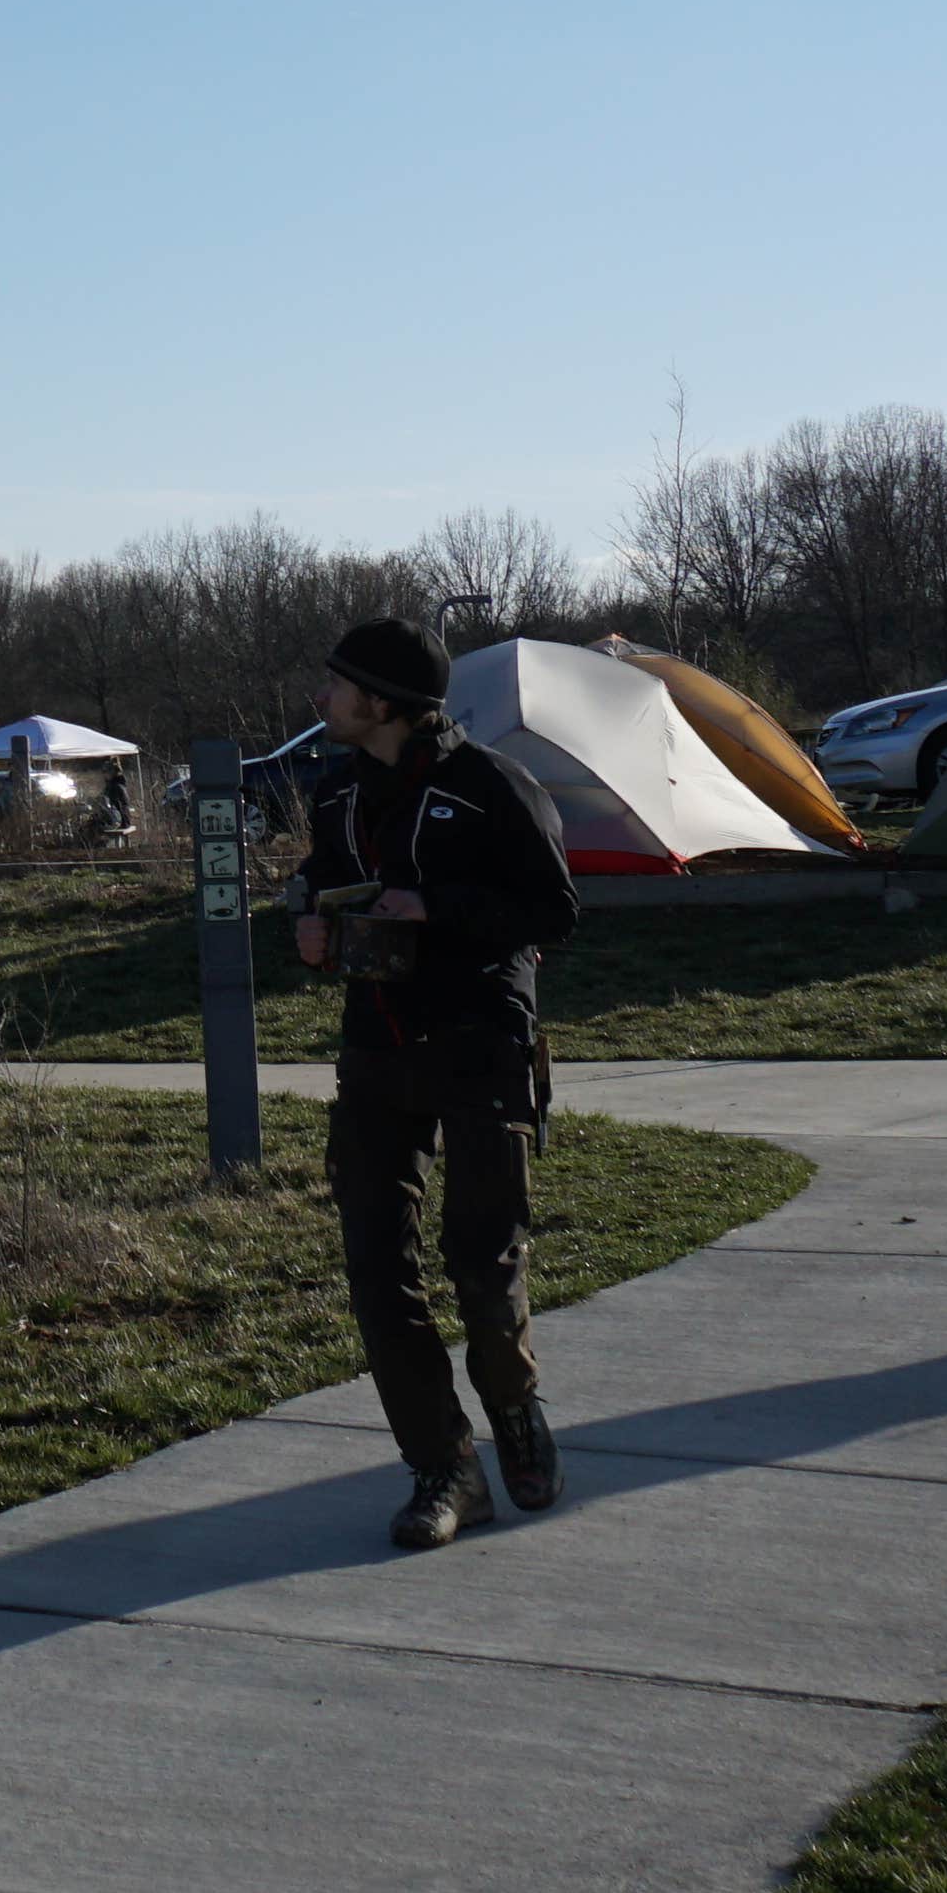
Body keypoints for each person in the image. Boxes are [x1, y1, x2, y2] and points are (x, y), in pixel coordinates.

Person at [291, 618, 579, 1550]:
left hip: (481, 1048)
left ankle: (517, 1415)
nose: (323, 699)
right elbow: (318, 883)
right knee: (377, 1269)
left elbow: (554, 910)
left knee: (482, 1260)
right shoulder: (337, 794)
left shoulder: (494, 786)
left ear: (382, 702)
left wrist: (435, 908)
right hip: (375, 1052)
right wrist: (309, 927)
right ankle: (445, 1469)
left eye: (339, 685)